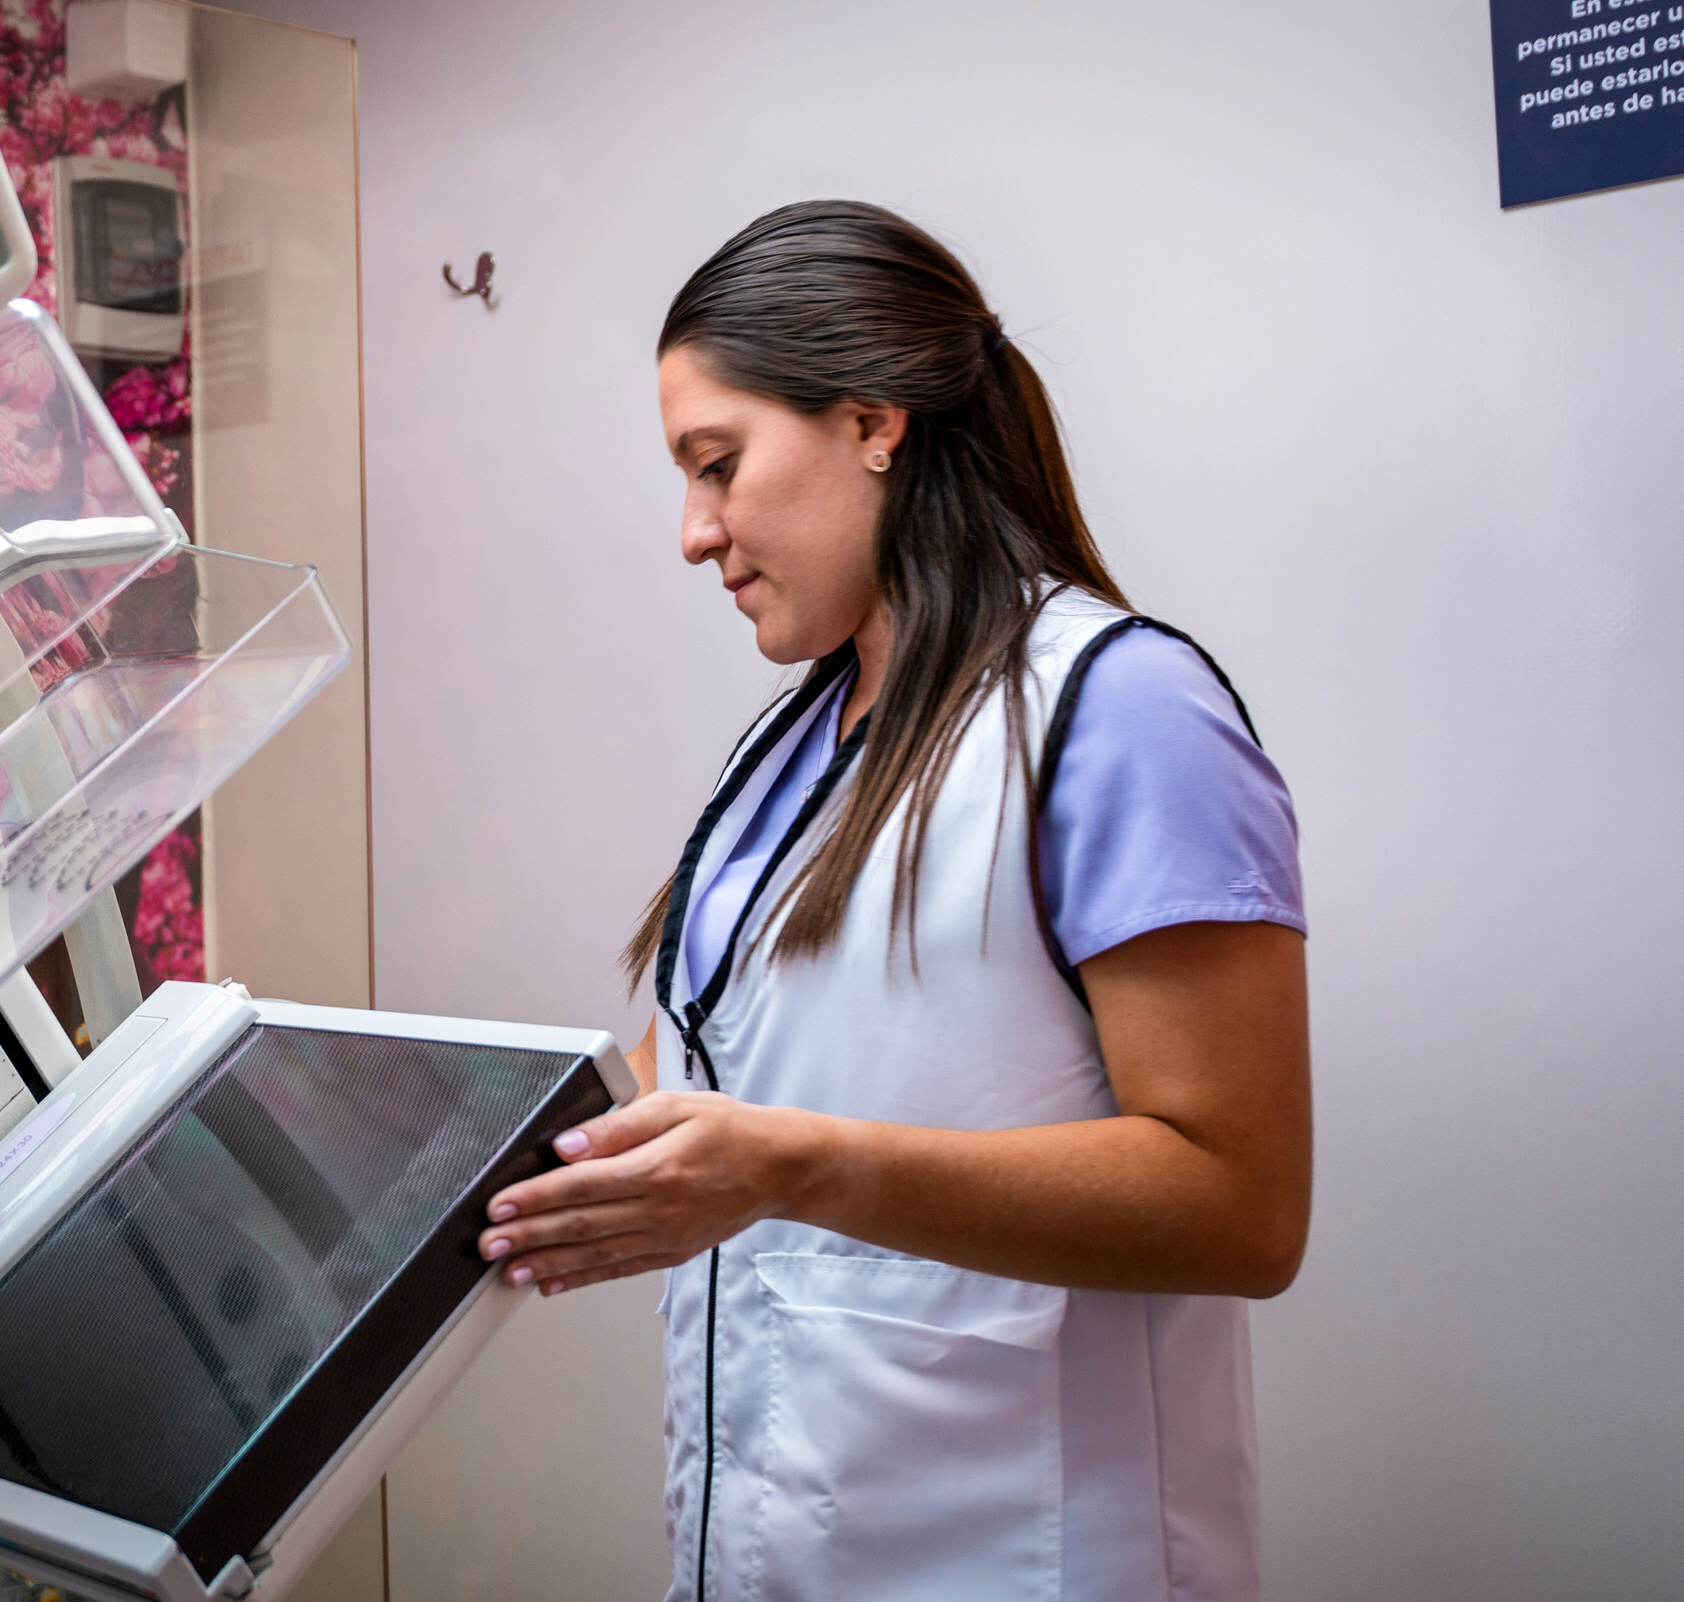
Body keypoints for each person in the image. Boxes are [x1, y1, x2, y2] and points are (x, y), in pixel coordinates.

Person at [479, 202, 1310, 1601]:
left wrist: (797, 1167)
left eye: (719, 464)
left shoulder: (1119, 711)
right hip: (780, 1536)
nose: (694, 533)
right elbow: (699, 1074)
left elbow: (1241, 1206)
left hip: (1032, 1548)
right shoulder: (788, 742)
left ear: (874, 422)